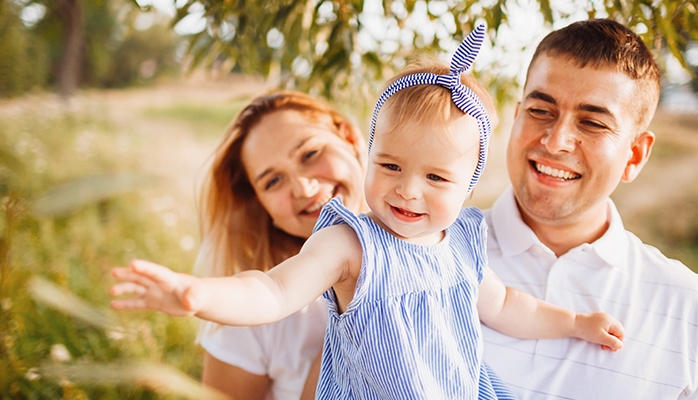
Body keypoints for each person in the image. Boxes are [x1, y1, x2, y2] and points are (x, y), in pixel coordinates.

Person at [110, 25, 625, 398]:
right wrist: (196, 294)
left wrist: (576, 322)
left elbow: (510, 305)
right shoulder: (349, 243)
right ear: (370, 153)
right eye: (391, 166)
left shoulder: (465, 242)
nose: (408, 191)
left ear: (468, 184)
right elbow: (271, 290)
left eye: (436, 178)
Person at [481, 18, 698, 399]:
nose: (555, 141)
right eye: (540, 110)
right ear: (516, 116)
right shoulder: (427, 253)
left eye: (592, 123)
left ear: (635, 155)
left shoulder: (684, 307)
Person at [191, 90, 369, 399]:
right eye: (273, 181)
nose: (303, 188)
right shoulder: (252, 316)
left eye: (310, 154)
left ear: (350, 138)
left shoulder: (451, 246)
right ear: (262, 206)